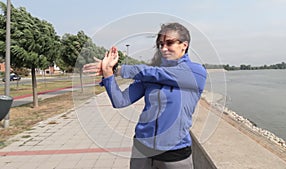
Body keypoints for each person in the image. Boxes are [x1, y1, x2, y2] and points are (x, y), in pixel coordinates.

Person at [83, 22, 207, 169]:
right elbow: (120, 101)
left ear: (184, 45)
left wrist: (118, 69)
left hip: (175, 152)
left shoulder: (195, 72)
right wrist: (108, 73)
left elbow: (157, 73)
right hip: (142, 149)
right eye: (160, 44)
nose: (164, 48)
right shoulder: (150, 76)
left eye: (169, 43)